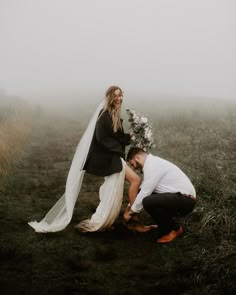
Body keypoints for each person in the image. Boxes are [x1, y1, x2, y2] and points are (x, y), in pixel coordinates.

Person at [123, 147, 197, 243]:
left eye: (133, 164)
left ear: (137, 158)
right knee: (147, 198)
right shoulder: (153, 163)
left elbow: (145, 192)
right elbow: (143, 190)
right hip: (179, 198)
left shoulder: (153, 165)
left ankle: (175, 229)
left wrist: (131, 212)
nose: (135, 168)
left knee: (147, 201)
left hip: (186, 201)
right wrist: (129, 207)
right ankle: (164, 225)